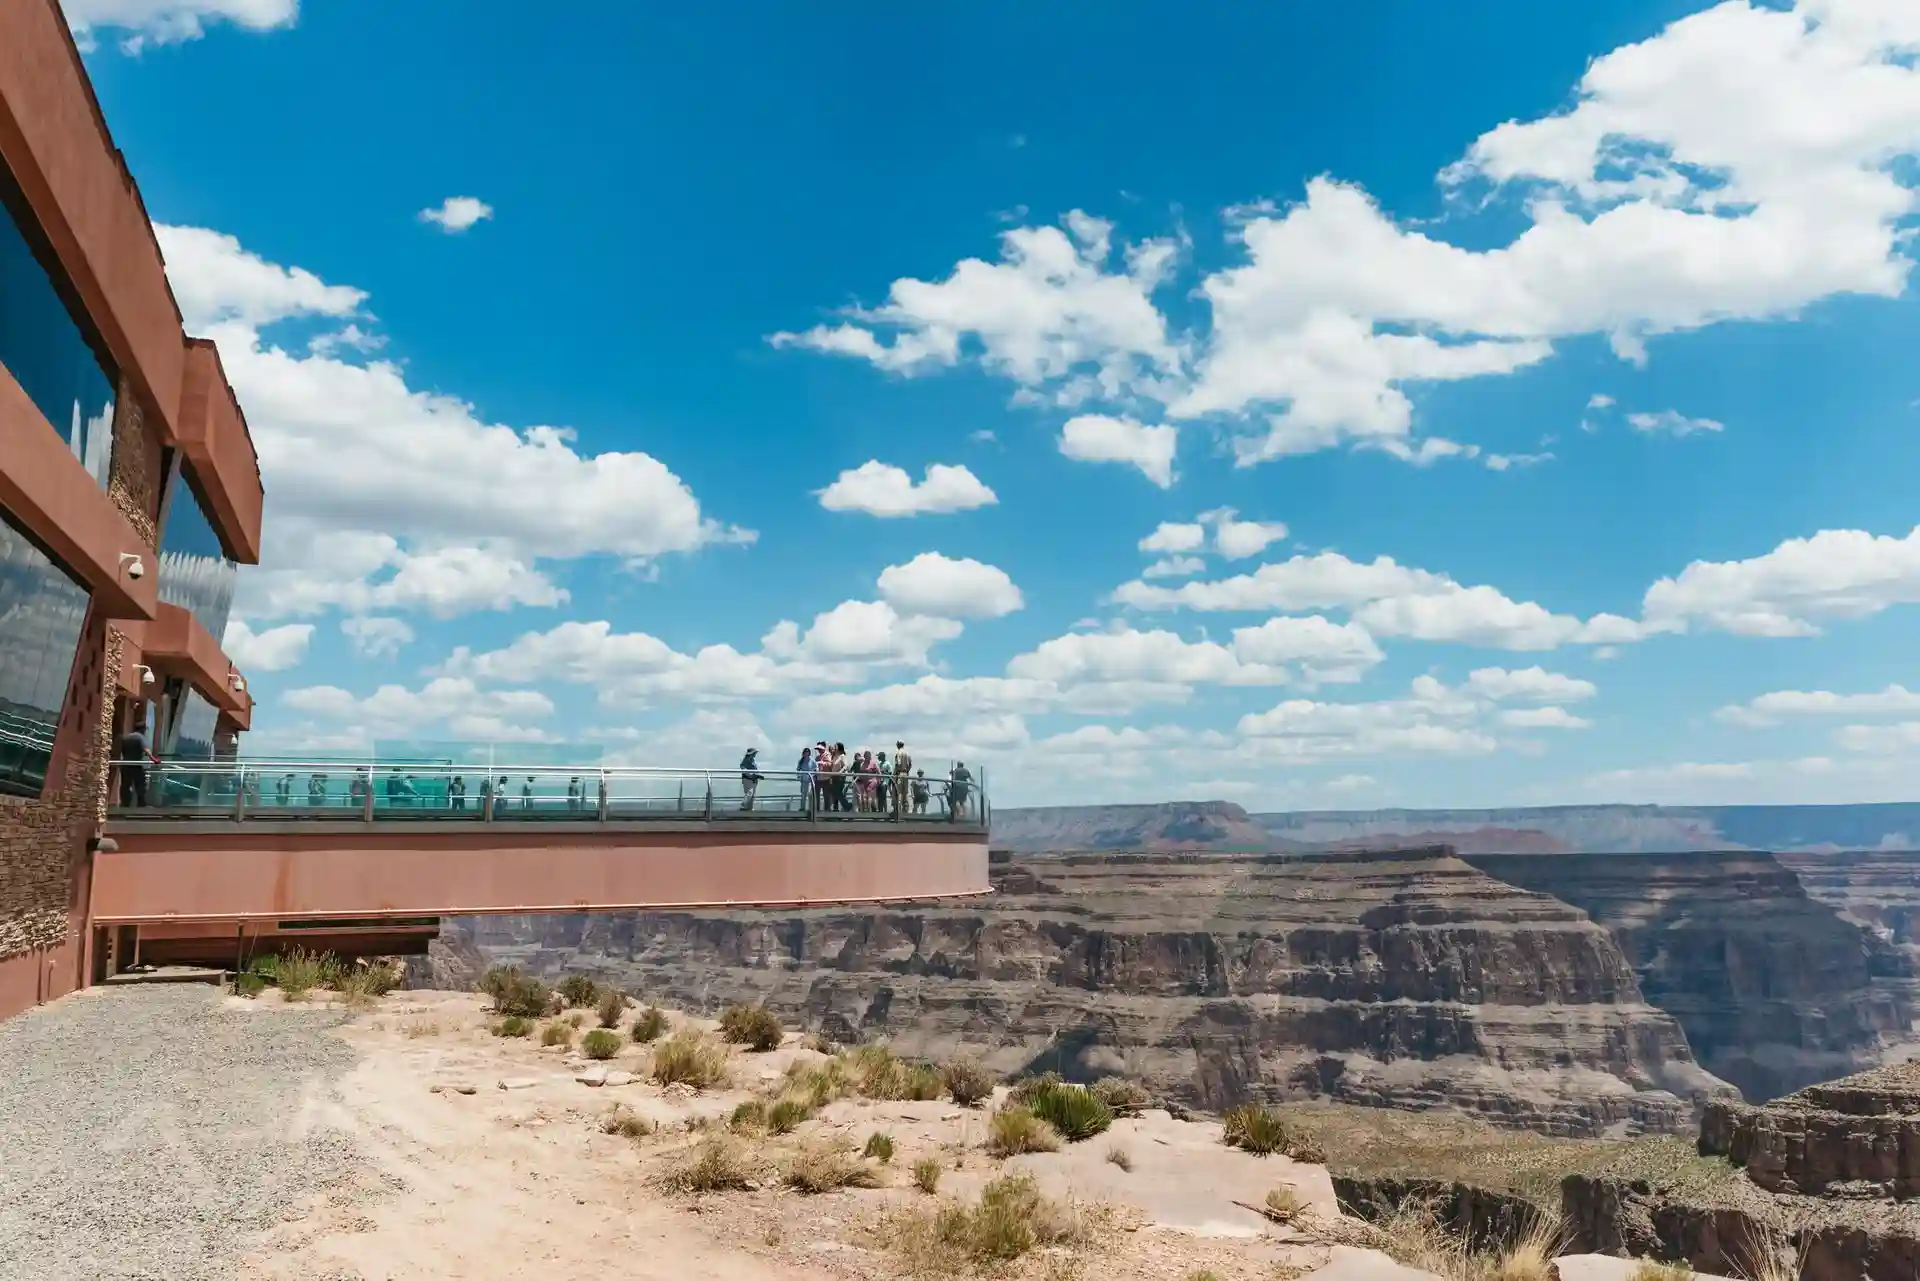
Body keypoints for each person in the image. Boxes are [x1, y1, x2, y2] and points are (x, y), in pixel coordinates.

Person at [117, 722, 153, 807]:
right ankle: (141, 804)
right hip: (136, 765)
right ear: (142, 729)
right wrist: (153, 759)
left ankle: (125, 804)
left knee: (125, 785)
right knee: (140, 784)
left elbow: (120, 750)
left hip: (125, 765)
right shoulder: (140, 737)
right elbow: (146, 750)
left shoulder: (126, 737)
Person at [892, 741, 913, 816]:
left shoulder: (898, 753)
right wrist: (907, 770)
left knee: (899, 792)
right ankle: (906, 811)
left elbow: (898, 763)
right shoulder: (907, 753)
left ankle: (898, 810)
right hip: (906, 774)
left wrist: (895, 773)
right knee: (906, 792)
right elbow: (910, 764)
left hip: (900, 773)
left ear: (898, 745)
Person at [796, 745, 816, 811]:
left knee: (810, 795)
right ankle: (802, 808)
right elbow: (798, 769)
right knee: (803, 795)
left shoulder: (812, 761)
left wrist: (813, 775)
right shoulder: (801, 761)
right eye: (805, 752)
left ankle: (811, 809)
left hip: (810, 781)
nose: (806, 753)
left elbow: (816, 768)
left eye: (807, 752)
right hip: (803, 780)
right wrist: (799, 776)